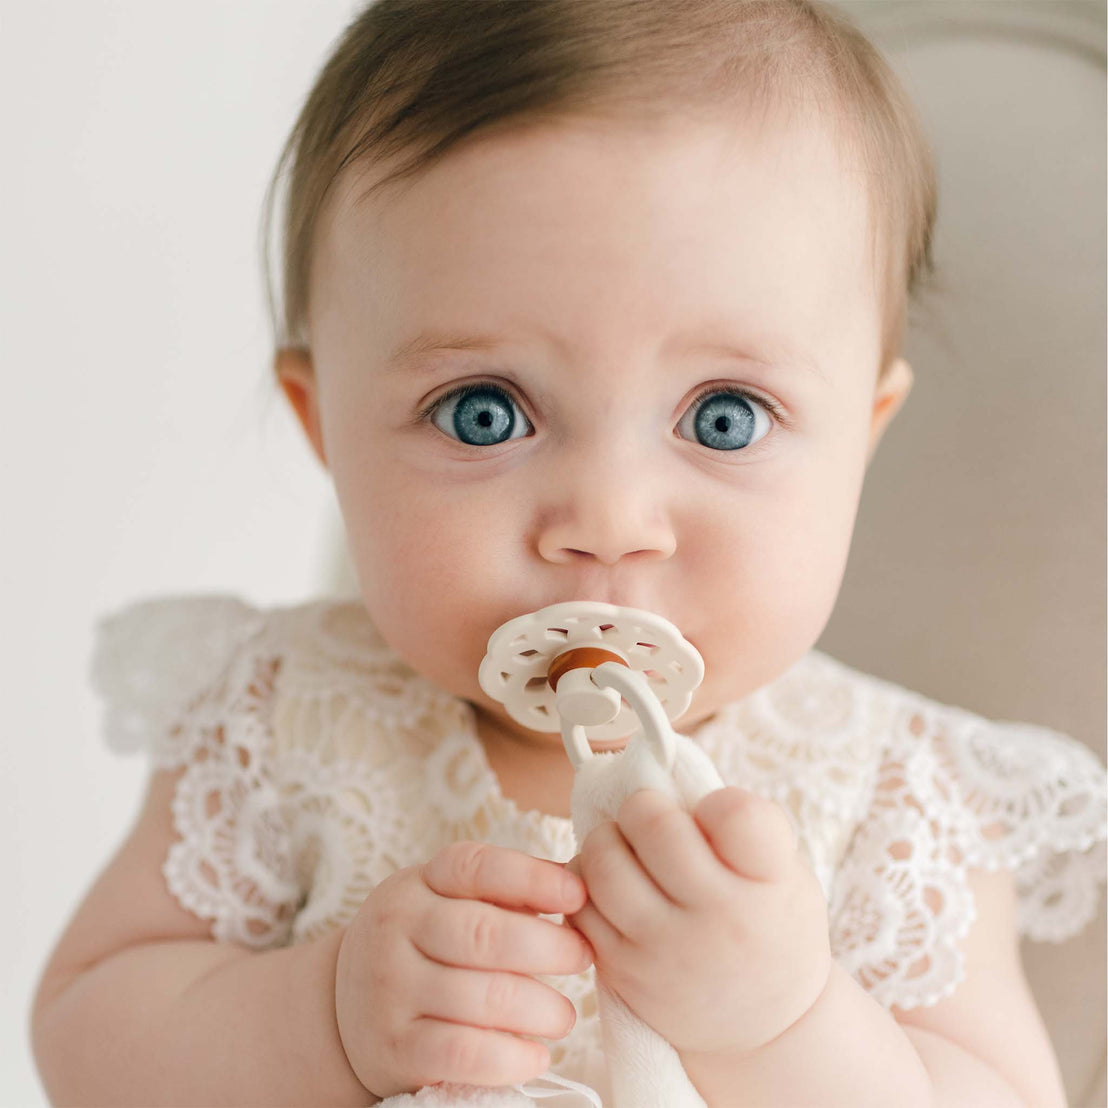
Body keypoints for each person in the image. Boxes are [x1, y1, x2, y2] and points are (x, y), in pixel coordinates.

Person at [29, 1, 1106, 1105]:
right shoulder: (276, 715)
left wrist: (781, 1022)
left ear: (860, 441)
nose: (607, 519)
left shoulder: (899, 796)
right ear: (326, 429)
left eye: (724, 416)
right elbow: (88, 1033)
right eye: (483, 412)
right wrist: (319, 1020)